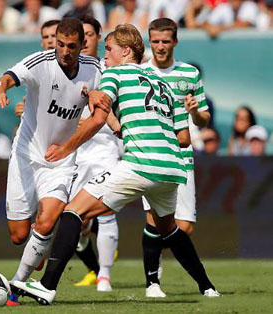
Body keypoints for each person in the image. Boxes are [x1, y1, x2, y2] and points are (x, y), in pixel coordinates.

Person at [12, 23, 220, 305]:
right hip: (172, 167)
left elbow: (99, 118)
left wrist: (66, 147)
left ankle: (47, 286)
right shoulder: (162, 84)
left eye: (108, 49)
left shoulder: (114, 73)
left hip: (140, 164)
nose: (103, 56)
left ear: (125, 51)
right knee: (169, 229)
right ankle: (208, 287)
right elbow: (183, 138)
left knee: (74, 212)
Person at [0, 17, 110, 304]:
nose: (65, 51)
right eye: (60, 44)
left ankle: (16, 287)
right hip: (26, 155)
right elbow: (9, 77)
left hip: (61, 160)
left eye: (71, 46)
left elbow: (105, 104)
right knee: (20, 236)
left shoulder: (95, 70)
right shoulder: (40, 62)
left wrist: (97, 95)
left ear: (83, 45)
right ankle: (37, 247)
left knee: (47, 220)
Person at [140, 18, 211, 298]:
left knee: (184, 226)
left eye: (165, 41)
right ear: (149, 42)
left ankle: (157, 271)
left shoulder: (190, 74)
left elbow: (204, 119)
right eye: (155, 41)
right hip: (150, 154)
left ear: (175, 42)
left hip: (181, 156)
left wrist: (194, 112)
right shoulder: (140, 72)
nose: (160, 46)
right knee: (153, 218)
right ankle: (152, 283)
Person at [71, 14, 122, 292]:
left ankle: (104, 275)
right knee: (71, 218)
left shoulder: (110, 69)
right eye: (82, 34)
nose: (86, 39)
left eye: (90, 34)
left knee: (107, 213)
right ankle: (89, 255)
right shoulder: (64, 68)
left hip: (104, 149)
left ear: (98, 38)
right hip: (75, 153)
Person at [14, 19, 60, 118]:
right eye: (45, 37)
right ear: (42, 42)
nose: (50, 40)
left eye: (54, 36)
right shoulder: (34, 67)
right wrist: (26, 112)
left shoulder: (75, 67)